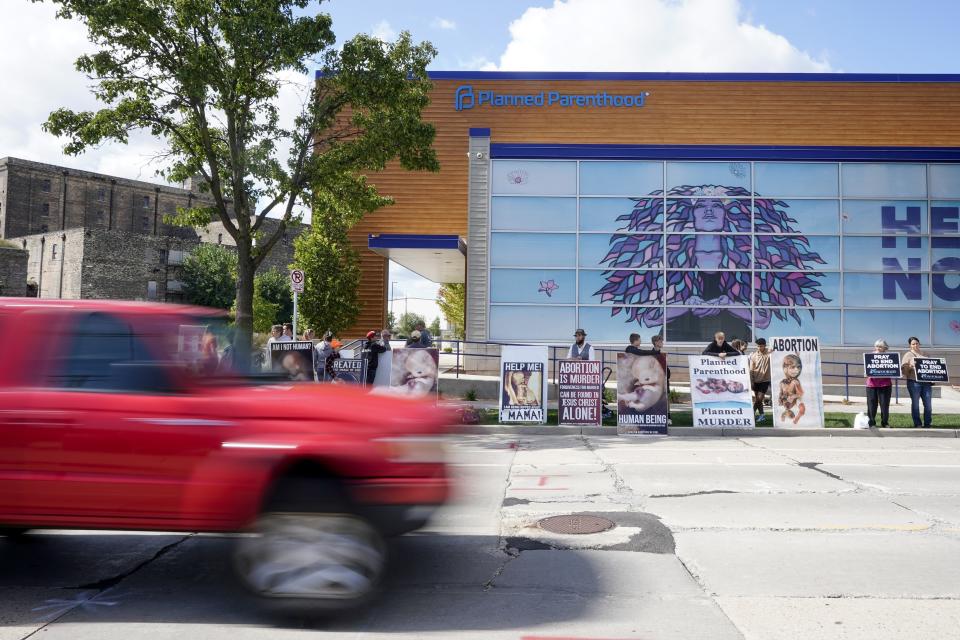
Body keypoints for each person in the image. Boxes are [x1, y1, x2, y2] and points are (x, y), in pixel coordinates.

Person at [901, 336, 933, 428]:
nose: (915, 345)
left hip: (926, 382)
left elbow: (932, 367)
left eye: (917, 343)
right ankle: (917, 423)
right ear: (910, 345)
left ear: (919, 344)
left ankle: (928, 423)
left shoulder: (926, 354)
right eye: (913, 344)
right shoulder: (908, 355)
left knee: (928, 404)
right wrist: (910, 366)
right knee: (915, 404)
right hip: (914, 382)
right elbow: (903, 370)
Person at [866, 339, 893, 428]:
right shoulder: (870, 356)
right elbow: (867, 368)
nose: (878, 348)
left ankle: (885, 422)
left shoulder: (890, 358)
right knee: (871, 404)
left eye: (880, 346)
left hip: (885, 384)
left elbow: (894, 369)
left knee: (884, 404)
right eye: (877, 346)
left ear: (885, 348)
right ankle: (871, 423)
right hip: (872, 384)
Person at [749, 338, 771, 423]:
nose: (759, 348)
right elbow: (751, 369)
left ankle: (751, 414)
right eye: (758, 346)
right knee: (758, 400)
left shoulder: (769, 353)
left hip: (765, 380)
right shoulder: (753, 355)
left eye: (761, 346)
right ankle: (762, 416)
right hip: (755, 380)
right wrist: (751, 381)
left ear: (765, 345)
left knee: (759, 399)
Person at [778, 354, 805, 425]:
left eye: (798, 367)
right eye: (793, 367)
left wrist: (794, 396)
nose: (796, 370)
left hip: (793, 401)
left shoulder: (795, 382)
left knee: (802, 409)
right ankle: (786, 420)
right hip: (786, 402)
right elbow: (781, 392)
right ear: (785, 368)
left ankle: (794, 421)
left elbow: (801, 393)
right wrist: (780, 398)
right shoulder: (782, 382)